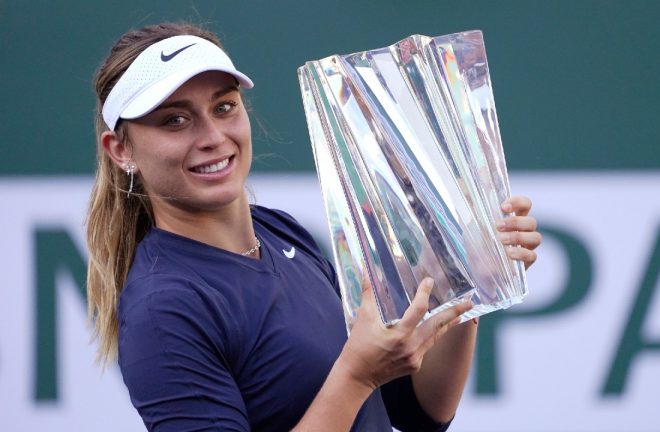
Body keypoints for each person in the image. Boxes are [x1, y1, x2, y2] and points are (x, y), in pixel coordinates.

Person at [86, 22, 542, 431]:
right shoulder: (163, 309)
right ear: (120, 150)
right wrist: (357, 374)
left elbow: (416, 412)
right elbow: (362, 378)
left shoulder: (281, 233)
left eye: (224, 107)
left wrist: (466, 279)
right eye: (175, 120)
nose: (211, 137)